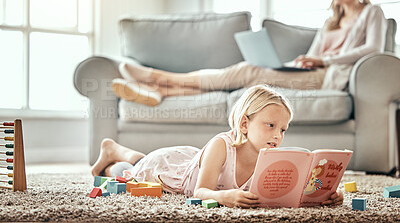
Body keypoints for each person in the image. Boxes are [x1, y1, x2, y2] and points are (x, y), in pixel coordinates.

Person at [111, 0, 387, 107]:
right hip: (309, 72)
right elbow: (313, 55)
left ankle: (157, 78)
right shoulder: (330, 21)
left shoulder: (371, 13)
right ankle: (162, 91)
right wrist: (297, 63)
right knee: (248, 77)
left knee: (247, 70)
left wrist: (322, 60)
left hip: (329, 77)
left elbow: (374, 49)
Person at [92, 85, 344, 208]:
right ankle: (112, 152)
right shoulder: (221, 145)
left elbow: (291, 195)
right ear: (244, 123)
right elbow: (200, 192)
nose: (278, 135)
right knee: (133, 170)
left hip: (193, 160)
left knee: (141, 161)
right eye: (270, 125)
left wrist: (324, 195)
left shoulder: (273, 157)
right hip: (171, 168)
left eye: (283, 129)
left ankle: (114, 148)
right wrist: (223, 197)